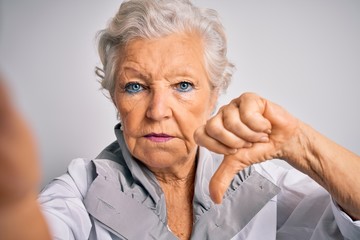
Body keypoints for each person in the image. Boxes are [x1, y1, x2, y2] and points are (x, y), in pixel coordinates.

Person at [1, 0, 359, 239]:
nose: (158, 110)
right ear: (114, 97)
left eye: (183, 85)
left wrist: (301, 144)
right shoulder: (81, 189)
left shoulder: (263, 184)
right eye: (136, 86)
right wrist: (14, 203)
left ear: (214, 93)